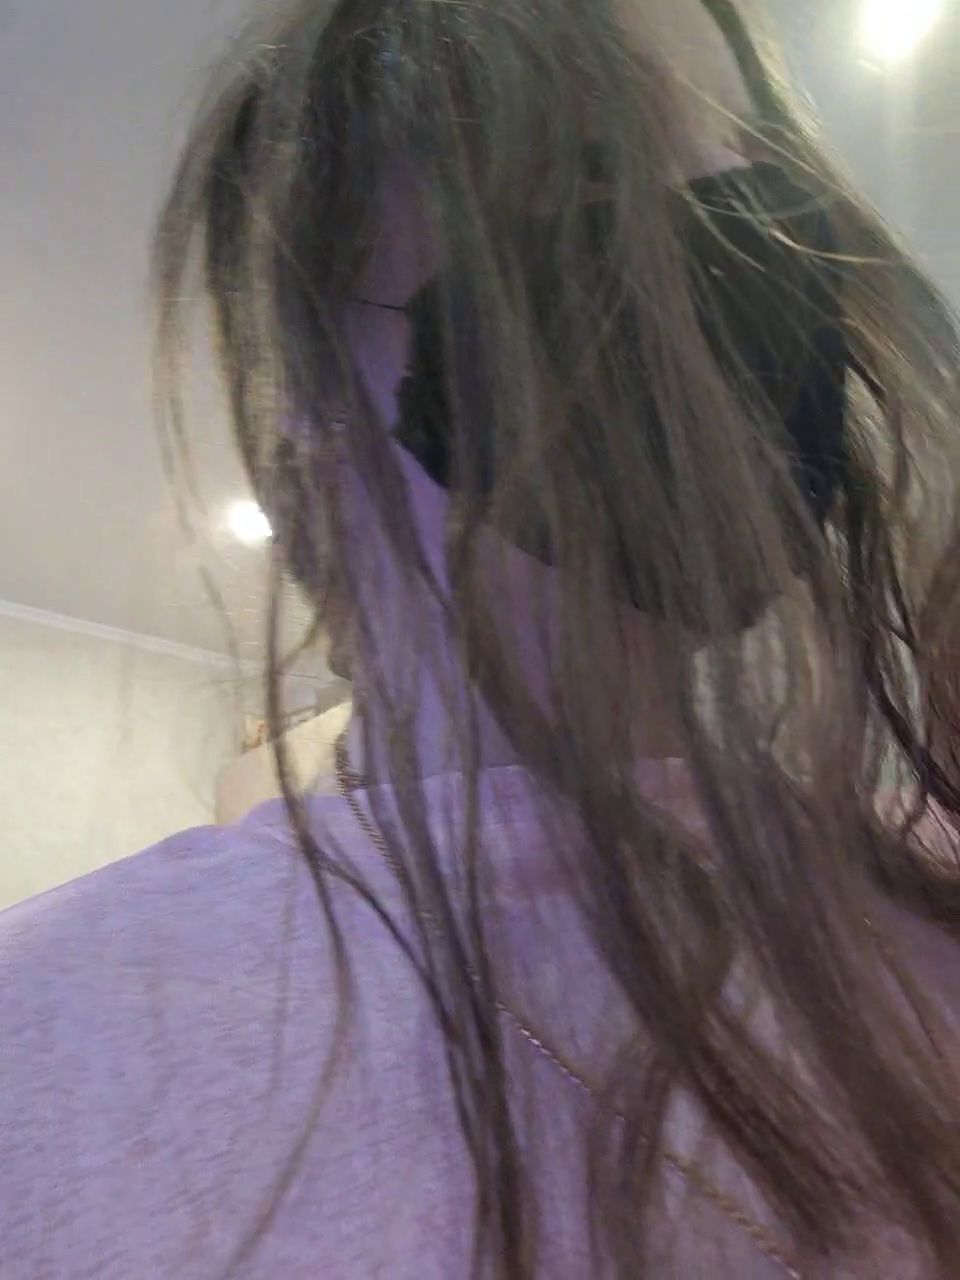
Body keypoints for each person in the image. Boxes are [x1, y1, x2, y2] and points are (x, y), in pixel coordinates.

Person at [4, 1, 960, 1275]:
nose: (726, 291)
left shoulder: (927, 899)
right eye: (588, 186)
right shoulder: (51, 1036)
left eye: (751, 189)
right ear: (308, 470)